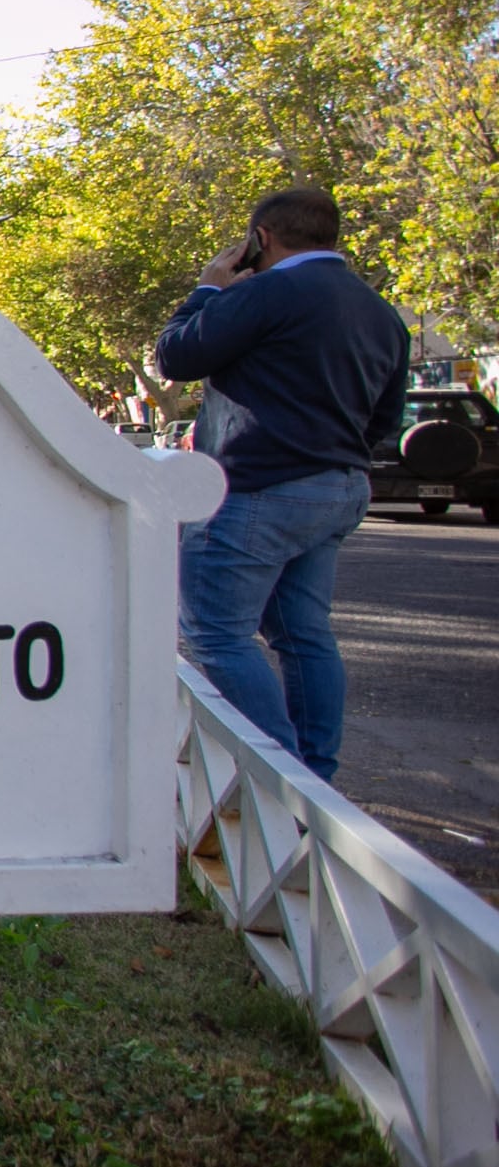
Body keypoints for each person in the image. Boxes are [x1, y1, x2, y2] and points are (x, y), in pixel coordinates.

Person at [154, 186, 408, 779]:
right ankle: (317, 776)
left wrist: (209, 287)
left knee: (215, 633)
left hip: (258, 488)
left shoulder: (267, 293)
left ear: (259, 241)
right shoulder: (380, 312)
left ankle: (282, 782)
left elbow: (176, 357)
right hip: (339, 487)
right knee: (304, 634)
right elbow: (386, 421)